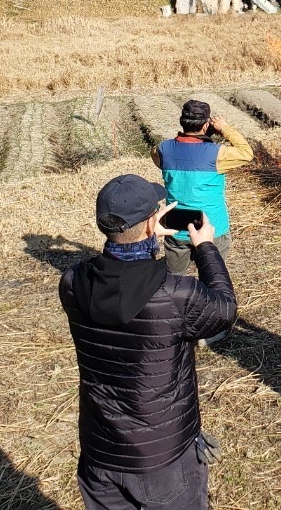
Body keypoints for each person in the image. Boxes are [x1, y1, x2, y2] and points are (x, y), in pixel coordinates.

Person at [60, 174, 237, 510]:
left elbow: (122, 279)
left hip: (100, 451)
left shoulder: (72, 282)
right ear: (149, 225)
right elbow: (224, 309)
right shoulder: (175, 295)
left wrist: (145, 236)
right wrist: (205, 248)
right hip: (163, 459)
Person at [152, 101, 254, 278]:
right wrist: (224, 128)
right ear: (206, 124)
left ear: (182, 122)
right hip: (212, 228)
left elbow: (161, 157)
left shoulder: (162, 149)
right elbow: (247, 153)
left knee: (174, 277)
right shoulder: (217, 154)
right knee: (212, 277)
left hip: (176, 228)